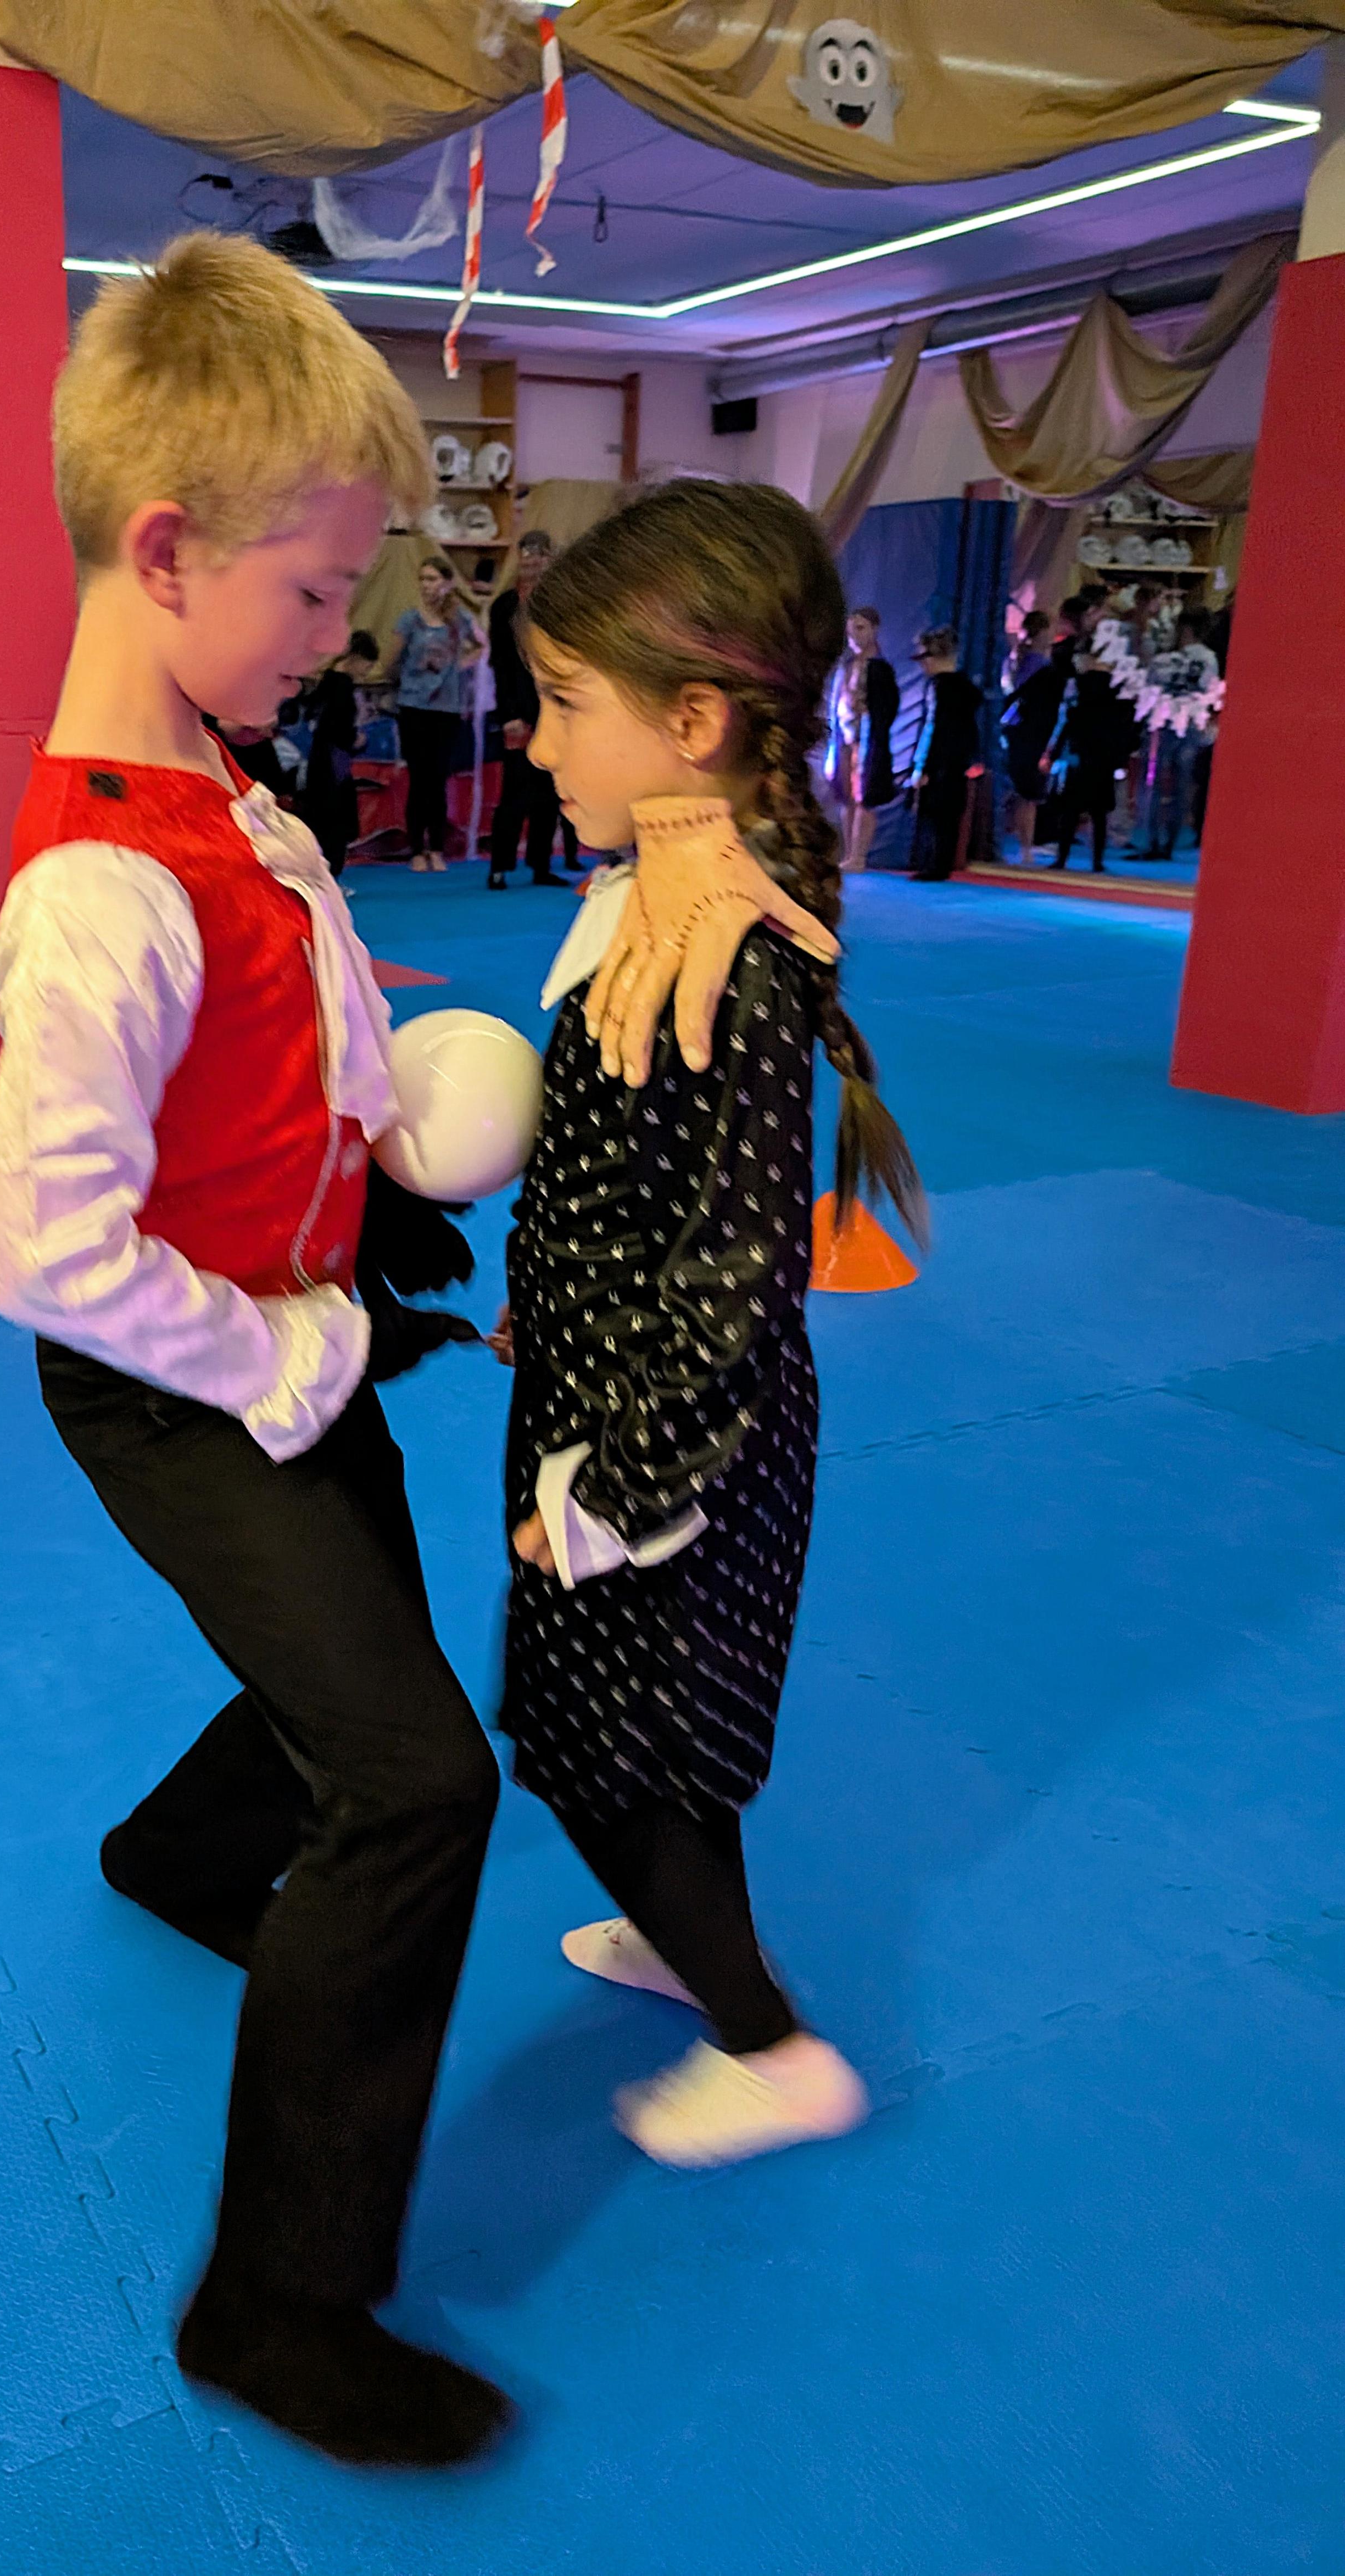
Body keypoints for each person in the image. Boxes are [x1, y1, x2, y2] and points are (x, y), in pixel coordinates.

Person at [0, 231, 514, 2469]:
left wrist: (385, 1175)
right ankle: (277, 2301)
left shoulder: (232, 778)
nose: (336, 633)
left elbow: (311, 1011)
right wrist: (285, 1353)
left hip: (299, 1307)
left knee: (362, 1654)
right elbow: (40, 1250)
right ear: (167, 550)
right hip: (177, 1376)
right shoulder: (98, 886)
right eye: (312, 589)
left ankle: (184, 1859)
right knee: (418, 1777)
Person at [495, 477, 926, 2169]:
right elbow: (634, 1179)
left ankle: (771, 2048)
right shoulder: (653, 895)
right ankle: (690, 1945)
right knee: (634, 1733)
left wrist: (619, 1487)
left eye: (562, 704)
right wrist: (541, 1299)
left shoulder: (732, 956)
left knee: (602, 1751)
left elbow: (738, 1273)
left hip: (670, 1447)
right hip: (601, 1394)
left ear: (691, 722)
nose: (534, 744)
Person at [388, 554, 481, 871]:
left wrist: (461, 666)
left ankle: (437, 848)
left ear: (447, 583)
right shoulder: (409, 621)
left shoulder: (459, 620)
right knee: (419, 778)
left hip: (447, 710)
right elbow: (392, 660)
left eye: (433, 579)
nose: (427, 586)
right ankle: (416, 848)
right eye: (423, 579)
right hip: (415, 707)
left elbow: (481, 644)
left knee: (439, 779)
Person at [487, 528, 566, 890]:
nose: (533, 561)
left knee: (549, 792)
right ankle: (499, 866)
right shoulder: (504, 607)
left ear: (551, 559)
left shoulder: (562, 605)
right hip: (518, 708)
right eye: (527, 554)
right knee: (515, 792)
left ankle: (541, 865)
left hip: (555, 707)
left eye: (540, 554)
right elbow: (500, 666)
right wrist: (509, 715)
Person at [1132, 607, 1219, 862]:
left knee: (1153, 782)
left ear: (1185, 630)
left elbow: (1149, 688)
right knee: (1182, 783)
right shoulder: (1209, 659)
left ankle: (1151, 839)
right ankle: (1171, 841)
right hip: (1190, 722)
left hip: (1161, 722)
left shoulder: (1164, 660)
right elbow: (1209, 691)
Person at [1042, 642, 1138, 871]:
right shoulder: (1118, 689)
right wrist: (1121, 759)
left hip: (1080, 755)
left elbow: (1069, 723)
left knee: (1070, 810)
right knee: (1099, 813)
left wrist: (1054, 753)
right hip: (1105, 757)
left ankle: (1062, 858)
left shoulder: (1079, 686)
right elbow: (1125, 729)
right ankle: (1097, 861)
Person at [292, 628, 377, 875]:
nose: (366, 673)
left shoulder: (327, 682)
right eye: (367, 667)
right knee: (336, 821)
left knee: (321, 818)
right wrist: (356, 739)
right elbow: (338, 727)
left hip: (320, 757)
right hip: (334, 761)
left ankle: (322, 872)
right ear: (356, 659)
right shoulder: (343, 687)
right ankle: (332, 874)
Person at [907, 625, 986, 881]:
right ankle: (942, 863)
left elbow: (934, 728)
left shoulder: (938, 687)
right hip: (958, 761)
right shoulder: (967, 689)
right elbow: (969, 729)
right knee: (950, 816)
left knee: (934, 814)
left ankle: (933, 864)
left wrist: (923, 766)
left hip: (939, 763)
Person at [825, 604, 898, 873]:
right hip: (843, 739)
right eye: (851, 631)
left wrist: (868, 718)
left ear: (874, 630)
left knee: (864, 796)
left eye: (860, 629)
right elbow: (836, 703)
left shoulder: (880, 669)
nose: (854, 636)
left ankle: (859, 855)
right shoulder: (845, 666)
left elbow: (888, 708)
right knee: (846, 796)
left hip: (866, 740)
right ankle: (849, 853)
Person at [1001, 608, 1064, 864]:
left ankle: (1018, 845)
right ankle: (1026, 848)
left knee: (1018, 792)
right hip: (1032, 734)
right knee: (1029, 795)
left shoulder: (1015, 662)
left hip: (1014, 731)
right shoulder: (1042, 668)